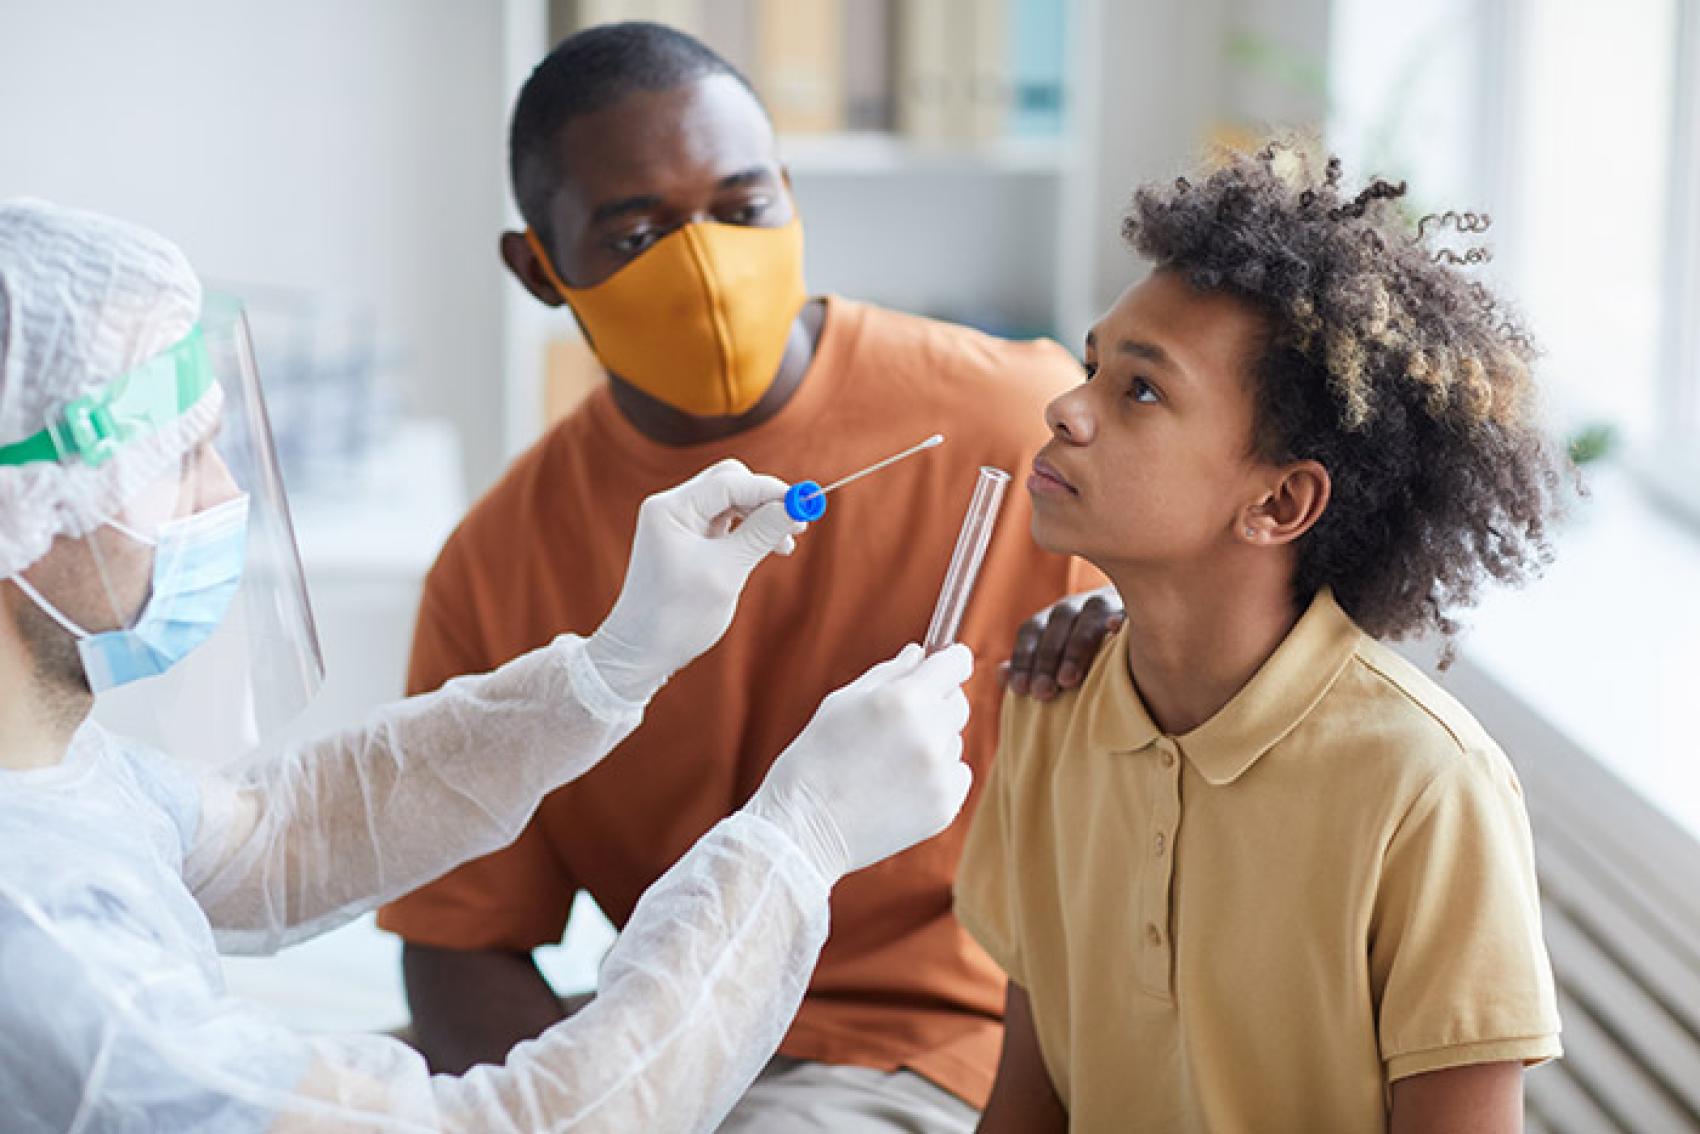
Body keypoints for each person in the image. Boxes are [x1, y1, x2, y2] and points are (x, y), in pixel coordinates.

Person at [0, 199, 982, 1133]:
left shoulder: (49, 776)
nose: (223, 494)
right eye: (173, 458)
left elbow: (276, 835)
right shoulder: (47, 957)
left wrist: (614, 666)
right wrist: (798, 837)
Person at [375, 22, 1099, 1128]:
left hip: (929, 1046)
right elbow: (456, 946)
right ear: (539, 268)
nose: (706, 262)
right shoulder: (500, 558)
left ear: (791, 197)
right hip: (660, 1039)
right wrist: (592, 1100)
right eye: (636, 230)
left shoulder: (1013, 435)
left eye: (742, 208)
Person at [954, 142, 1569, 1132]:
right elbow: (1027, 1101)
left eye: (1139, 391)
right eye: (1091, 365)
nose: (1065, 409)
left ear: (1278, 501)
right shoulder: (1050, 707)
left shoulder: (1424, 786)